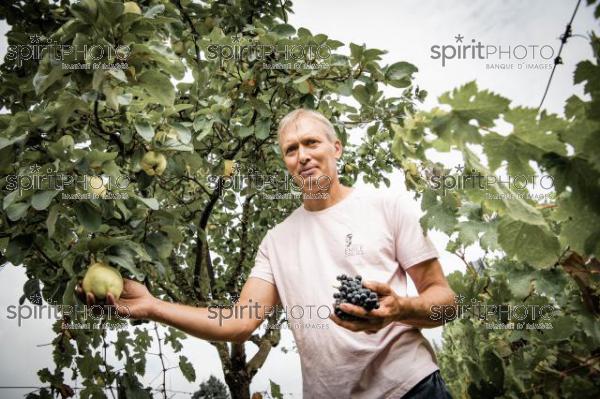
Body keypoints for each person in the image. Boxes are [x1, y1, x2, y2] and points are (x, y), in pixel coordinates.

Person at [77, 109, 455, 398]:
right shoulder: (277, 240)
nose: (303, 156)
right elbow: (239, 322)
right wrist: (152, 306)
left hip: (412, 388)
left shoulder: (387, 206)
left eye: (312, 143)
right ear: (286, 163)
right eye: (291, 150)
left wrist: (400, 309)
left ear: (336, 148)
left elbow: (446, 302)